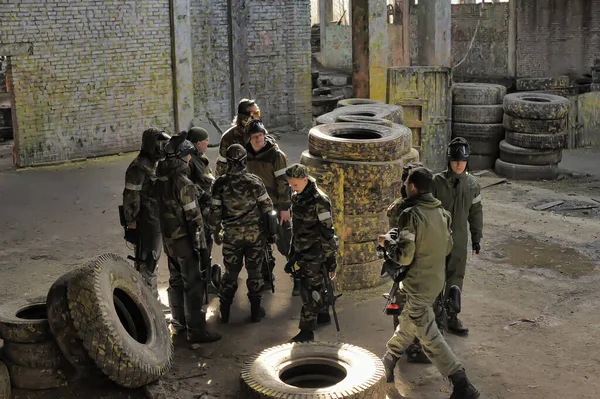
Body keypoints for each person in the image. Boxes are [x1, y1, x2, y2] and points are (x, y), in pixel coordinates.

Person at [379, 167, 480, 399]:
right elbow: (447, 247)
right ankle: (390, 358)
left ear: (412, 187)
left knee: (429, 336)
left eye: (406, 185)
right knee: (409, 321)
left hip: (417, 285)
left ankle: (461, 382)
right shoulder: (442, 213)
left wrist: (387, 243)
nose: (404, 187)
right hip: (436, 282)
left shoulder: (410, 215)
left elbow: (404, 256)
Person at [155, 132, 221, 344]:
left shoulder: (159, 179)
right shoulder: (183, 183)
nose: (191, 159)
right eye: (188, 155)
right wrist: (201, 247)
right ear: (182, 157)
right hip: (185, 241)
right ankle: (197, 330)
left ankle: (179, 323)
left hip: (168, 241)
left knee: (175, 281)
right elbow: (195, 219)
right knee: (192, 284)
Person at [208, 144, 274, 324]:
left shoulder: (219, 184)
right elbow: (268, 209)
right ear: (244, 160)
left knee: (230, 273)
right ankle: (255, 312)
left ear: (227, 162)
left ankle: (225, 313)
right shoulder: (255, 181)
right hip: (255, 237)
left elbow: (214, 214)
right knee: (255, 273)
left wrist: (216, 232)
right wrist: (269, 234)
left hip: (231, 236)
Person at [432, 137, 483, 336]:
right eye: (455, 161)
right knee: (435, 278)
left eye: (462, 161)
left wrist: (477, 238)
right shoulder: (437, 183)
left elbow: (476, 212)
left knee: (456, 279)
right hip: (437, 239)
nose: (458, 164)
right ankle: (436, 319)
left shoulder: (472, 184)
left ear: (467, 160)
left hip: (460, 240)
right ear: (449, 161)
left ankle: (451, 317)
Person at [285, 164, 339, 343]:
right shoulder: (297, 197)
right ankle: (323, 314)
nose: (293, 188)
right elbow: (296, 228)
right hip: (302, 250)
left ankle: (306, 331)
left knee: (309, 291)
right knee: (314, 286)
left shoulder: (319, 200)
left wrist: (331, 258)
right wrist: (292, 253)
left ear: (305, 180)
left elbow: (327, 232)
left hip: (316, 253)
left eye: (295, 185)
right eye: (291, 185)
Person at [244, 119, 297, 295]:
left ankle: (298, 277)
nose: (258, 140)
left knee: (286, 243)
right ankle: (266, 278)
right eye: (254, 137)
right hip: (256, 208)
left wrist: (284, 208)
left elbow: (284, 183)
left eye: (260, 135)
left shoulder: (276, 156)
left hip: (275, 206)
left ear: (265, 135)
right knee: (260, 245)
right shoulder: (246, 155)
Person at [122, 127, 170, 297]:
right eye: (159, 143)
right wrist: (131, 221)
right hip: (146, 222)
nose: (162, 147)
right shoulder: (138, 168)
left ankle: (152, 299)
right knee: (146, 264)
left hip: (156, 220)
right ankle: (148, 304)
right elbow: (130, 197)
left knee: (152, 262)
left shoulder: (154, 164)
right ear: (150, 144)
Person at [187, 127, 217, 292]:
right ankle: (202, 281)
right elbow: (188, 184)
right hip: (198, 208)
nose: (207, 144)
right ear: (198, 143)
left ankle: (206, 277)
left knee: (207, 241)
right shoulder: (190, 160)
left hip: (206, 206)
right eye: (205, 142)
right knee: (202, 244)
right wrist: (204, 197)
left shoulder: (200, 157)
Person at [215, 99, 261, 177]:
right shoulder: (228, 138)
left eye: (258, 113)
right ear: (243, 117)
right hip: (238, 182)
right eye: (254, 114)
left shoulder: (261, 133)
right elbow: (221, 166)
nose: (257, 117)